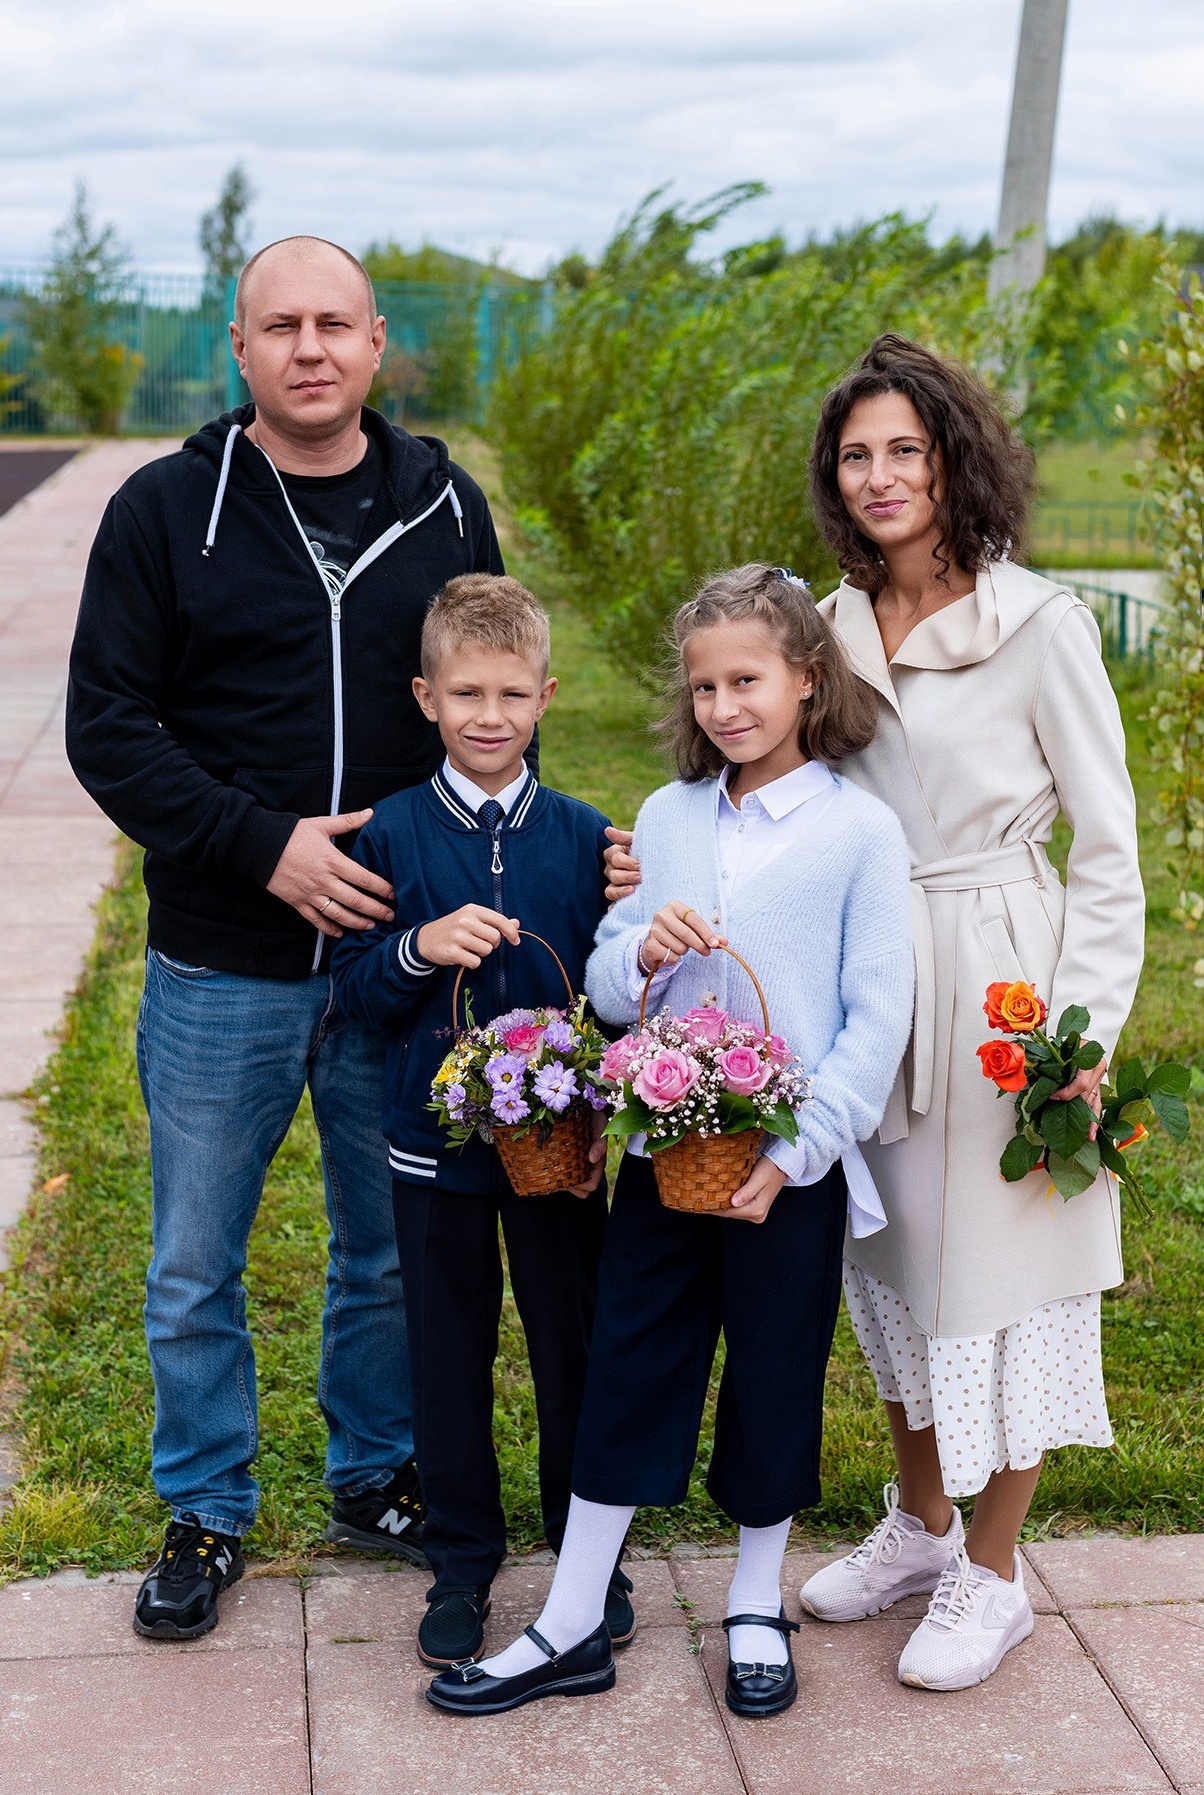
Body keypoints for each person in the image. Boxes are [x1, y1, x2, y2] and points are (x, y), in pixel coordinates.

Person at [65, 236, 506, 1640]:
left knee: (384, 1245)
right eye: (280, 326)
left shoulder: (446, 510)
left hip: (398, 965)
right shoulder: (162, 511)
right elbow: (108, 728)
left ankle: (373, 1473)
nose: (310, 348)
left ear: (379, 344)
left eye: (335, 324)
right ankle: (204, 1504)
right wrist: (268, 844)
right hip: (221, 963)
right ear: (238, 348)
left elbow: (495, 708)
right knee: (195, 1259)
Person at [426, 564, 915, 1718]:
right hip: (660, 1151)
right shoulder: (668, 815)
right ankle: (571, 1614)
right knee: (630, 1359)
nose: (722, 707)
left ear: (805, 676)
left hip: (782, 1163)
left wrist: (796, 1156)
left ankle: (754, 1598)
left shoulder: (859, 831)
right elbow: (605, 974)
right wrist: (638, 955)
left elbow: (873, 1016)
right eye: (702, 687)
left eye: (745, 679)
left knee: (774, 1370)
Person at [791, 337, 1143, 1691]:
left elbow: (1108, 854)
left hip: (1001, 974)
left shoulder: (1037, 626)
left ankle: (995, 1566)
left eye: (905, 450)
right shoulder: (826, 625)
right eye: (856, 454)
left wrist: (1080, 1039)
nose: (878, 476)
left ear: (952, 461)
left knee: (1011, 1277)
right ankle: (922, 1519)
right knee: (888, 1263)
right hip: (875, 978)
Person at [330, 572, 630, 1669]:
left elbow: (611, 988)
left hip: (559, 1151)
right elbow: (353, 990)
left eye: (510, 692)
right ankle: (461, 1562)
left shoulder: (587, 837)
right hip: (434, 1147)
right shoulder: (394, 835)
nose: (489, 715)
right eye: (466, 693)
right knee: (445, 1350)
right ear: (425, 697)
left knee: (572, 1347)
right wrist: (418, 948)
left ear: (546, 695)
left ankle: (586, 1560)